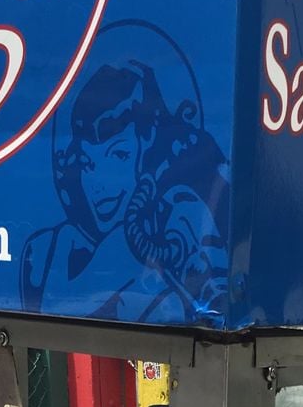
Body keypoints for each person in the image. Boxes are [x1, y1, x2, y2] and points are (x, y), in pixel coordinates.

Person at [21, 23, 230, 322]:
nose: (99, 184)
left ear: (151, 154)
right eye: (86, 163)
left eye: (119, 155)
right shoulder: (43, 253)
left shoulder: (182, 218)